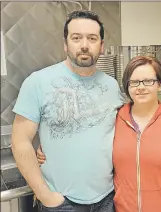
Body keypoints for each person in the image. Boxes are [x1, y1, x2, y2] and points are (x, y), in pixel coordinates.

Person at [38, 56, 161, 212]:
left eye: (148, 81)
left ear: (159, 84)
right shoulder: (114, 119)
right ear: (127, 86)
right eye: (134, 82)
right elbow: (83, 136)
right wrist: (50, 147)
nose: (141, 87)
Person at [11, 10, 123, 212]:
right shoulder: (37, 82)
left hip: (107, 199)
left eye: (92, 38)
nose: (84, 45)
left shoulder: (112, 86)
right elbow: (20, 142)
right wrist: (46, 196)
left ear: (102, 45)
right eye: (76, 38)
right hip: (62, 203)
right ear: (65, 44)